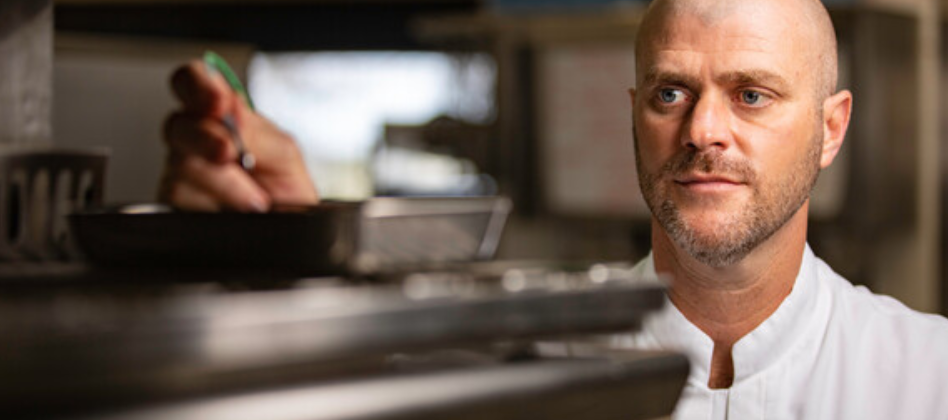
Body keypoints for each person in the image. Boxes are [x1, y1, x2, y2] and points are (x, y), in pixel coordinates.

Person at [159, 0, 948, 418]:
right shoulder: (522, 375)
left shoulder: (927, 376)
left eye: (752, 95)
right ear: (634, 115)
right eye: (671, 93)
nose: (703, 129)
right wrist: (290, 248)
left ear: (830, 129)